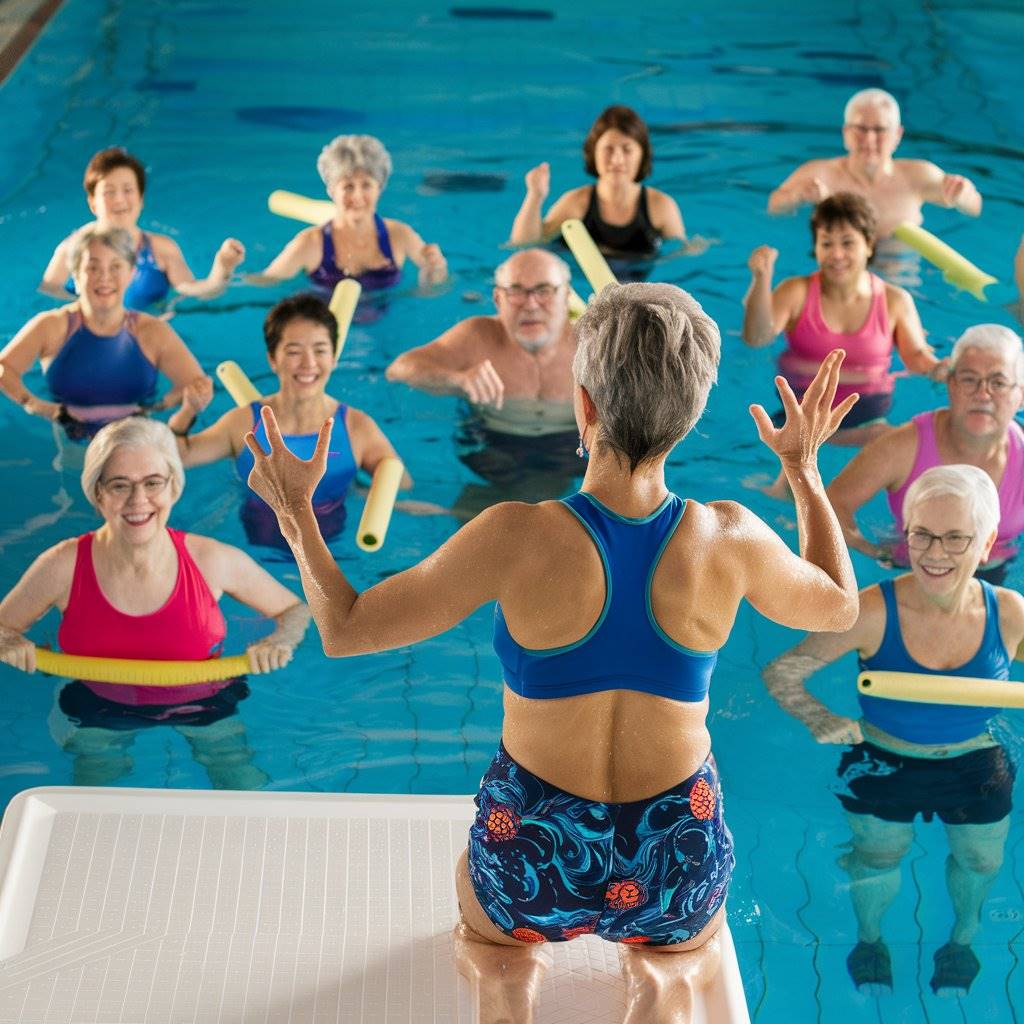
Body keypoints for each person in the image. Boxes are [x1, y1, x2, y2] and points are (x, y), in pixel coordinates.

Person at [242, 282, 859, 1023]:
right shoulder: (729, 537)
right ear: (690, 418)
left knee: (491, 936)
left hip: (532, 848)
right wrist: (803, 471)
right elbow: (838, 600)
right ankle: (662, 982)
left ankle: (507, 984)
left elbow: (343, 628)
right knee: (685, 945)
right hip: (673, 857)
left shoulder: (515, 534)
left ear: (585, 405)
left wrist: (295, 510)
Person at [763, 465, 1023, 996]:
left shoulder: (1010, 614)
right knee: (879, 857)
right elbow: (783, 672)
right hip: (883, 760)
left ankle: (965, 938)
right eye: (922, 534)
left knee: (982, 859)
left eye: (955, 538)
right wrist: (820, 717)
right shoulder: (873, 610)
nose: (935, 553)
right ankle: (871, 938)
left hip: (974, 758)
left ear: (989, 541)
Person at [0, 418, 310, 788]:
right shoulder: (62, 565)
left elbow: (295, 610)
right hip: (99, 708)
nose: (138, 501)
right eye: (119, 485)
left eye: (152, 483)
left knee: (244, 790)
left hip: (202, 702)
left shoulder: (212, 560)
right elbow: (3, 628)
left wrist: (279, 641)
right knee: (92, 807)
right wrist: (11, 643)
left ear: (173, 487)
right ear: (97, 493)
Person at [170, 293, 410, 547]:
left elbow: (401, 484)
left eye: (320, 350)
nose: (309, 364)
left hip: (333, 550)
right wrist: (188, 411)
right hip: (259, 550)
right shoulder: (243, 424)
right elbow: (181, 456)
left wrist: (366, 492)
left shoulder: (356, 427)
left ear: (334, 358)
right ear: (272, 360)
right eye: (294, 351)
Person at [743, 193, 943, 463]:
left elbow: (916, 357)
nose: (836, 254)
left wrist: (942, 369)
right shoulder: (796, 292)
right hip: (801, 410)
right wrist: (761, 281)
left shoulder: (895, 301)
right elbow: (756, 338)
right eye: (827, 243)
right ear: (817, 247)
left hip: (867, 413)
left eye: (848, 243)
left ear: (869, 245)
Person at [385, 248, 579, 515]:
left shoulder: (594, 345)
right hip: (493, 449)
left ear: (566, 297)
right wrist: (458, 380)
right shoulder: (477, 337)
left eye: (544, 290)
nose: (531, 304)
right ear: (498, 299)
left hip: (574, 450)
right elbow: (399, 369)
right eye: (516, 291)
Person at [828, 324, 1024, 581]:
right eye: (969, 379)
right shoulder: (902, 447)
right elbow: (830, 504)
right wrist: (873, 554)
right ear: (951, 384)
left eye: (998, 383)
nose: (982, 394)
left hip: (993, 575)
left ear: (1019, 395)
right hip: (911, 572)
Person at [1, 227, 213, 436]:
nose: (104, 277)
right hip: (70, 438)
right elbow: (4, 369)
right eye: (92, 268)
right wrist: (38, 406)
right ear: (75, 275)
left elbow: (196, 384)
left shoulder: (153, 331)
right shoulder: (51, 326)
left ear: (131, 274)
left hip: (137, 437)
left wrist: (155, 408)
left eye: (115, 267)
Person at [40, 147, 244, 309]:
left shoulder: (162, 250)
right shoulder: (71, 249)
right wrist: (96, 312)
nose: (120, 200)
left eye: (128, 190)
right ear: (92, 202)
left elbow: (197, 292)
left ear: (141, 199)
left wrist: (223, 267)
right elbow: (49, 291)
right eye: (109, 192)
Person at [767, 89, 981, 237]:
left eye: (880, 130)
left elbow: (975, 206)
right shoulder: (820, 174)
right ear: (846, 133)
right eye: (860, 129)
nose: (869, 139)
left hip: (898, 270)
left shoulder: (917, 176)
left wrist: (963, 196)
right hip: (840, 272)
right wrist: (797, 197)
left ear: (897, 136)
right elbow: (774, 205)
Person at [250, 134, 447, 293]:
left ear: (380, 188)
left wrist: (435, 271)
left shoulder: (400, 235)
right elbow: (263, 282)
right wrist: (223, 271)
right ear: (331, 191)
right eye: (348, 186)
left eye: (366, 185)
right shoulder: (309, 243)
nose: (358, 196)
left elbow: (437, 286)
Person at [509, 105, 701, 257]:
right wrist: (535, 196)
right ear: (593, 152)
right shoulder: (577, 203)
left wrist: (693, 248)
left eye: (627, 149)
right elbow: (524, 245)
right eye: (608, 149)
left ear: (642, 156)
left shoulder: (661, 206)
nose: (617, 160)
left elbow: (678, 257)